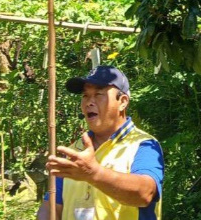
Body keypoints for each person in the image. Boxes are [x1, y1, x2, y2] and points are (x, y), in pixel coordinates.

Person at [37, 66, 164, 220]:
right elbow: (51, 207)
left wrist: (94, 174)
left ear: (122, 102)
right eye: (85, 95)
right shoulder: (74, 152)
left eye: (98, 94)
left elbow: (145, 193)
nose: (89, 102)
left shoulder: (143, 145)